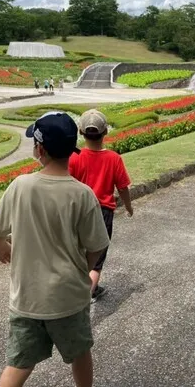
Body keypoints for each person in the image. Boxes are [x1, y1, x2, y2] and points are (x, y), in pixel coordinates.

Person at [0, 112, 110, 387]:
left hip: (27, 298)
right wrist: (82, 264)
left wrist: (2, 246)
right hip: (68, 297)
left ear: (39, 149)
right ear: (72, 151)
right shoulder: (81, 194)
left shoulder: (21, 185)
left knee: (19, 362)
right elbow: (97, 246)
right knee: (79, 353)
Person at [69, 109, 133, 302]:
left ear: (80, 132)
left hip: (78, 212)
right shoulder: (114, 158)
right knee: (96, 260)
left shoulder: (74, 157)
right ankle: (84, 299)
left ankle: (87, 289)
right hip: (102, 212)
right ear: (106, 132)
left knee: (79, 254)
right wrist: (129, 207)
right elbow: (122, 188)